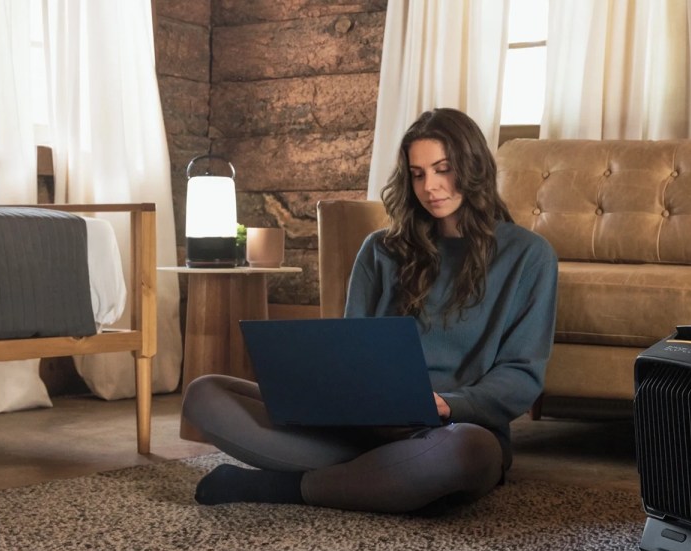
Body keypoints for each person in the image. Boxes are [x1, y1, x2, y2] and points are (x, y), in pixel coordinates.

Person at [183, 108, 559, 513]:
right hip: (361, 428)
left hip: (453, 432)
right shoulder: (380, 250)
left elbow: (521, 375)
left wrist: (448, 404)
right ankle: (383, 481)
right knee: (206, 394)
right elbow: (352, 352)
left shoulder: (528, 255)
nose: (430, 187)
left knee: (464, 455)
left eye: (443, 169)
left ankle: (290, 486)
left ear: (473, 167)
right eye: (418, 174)